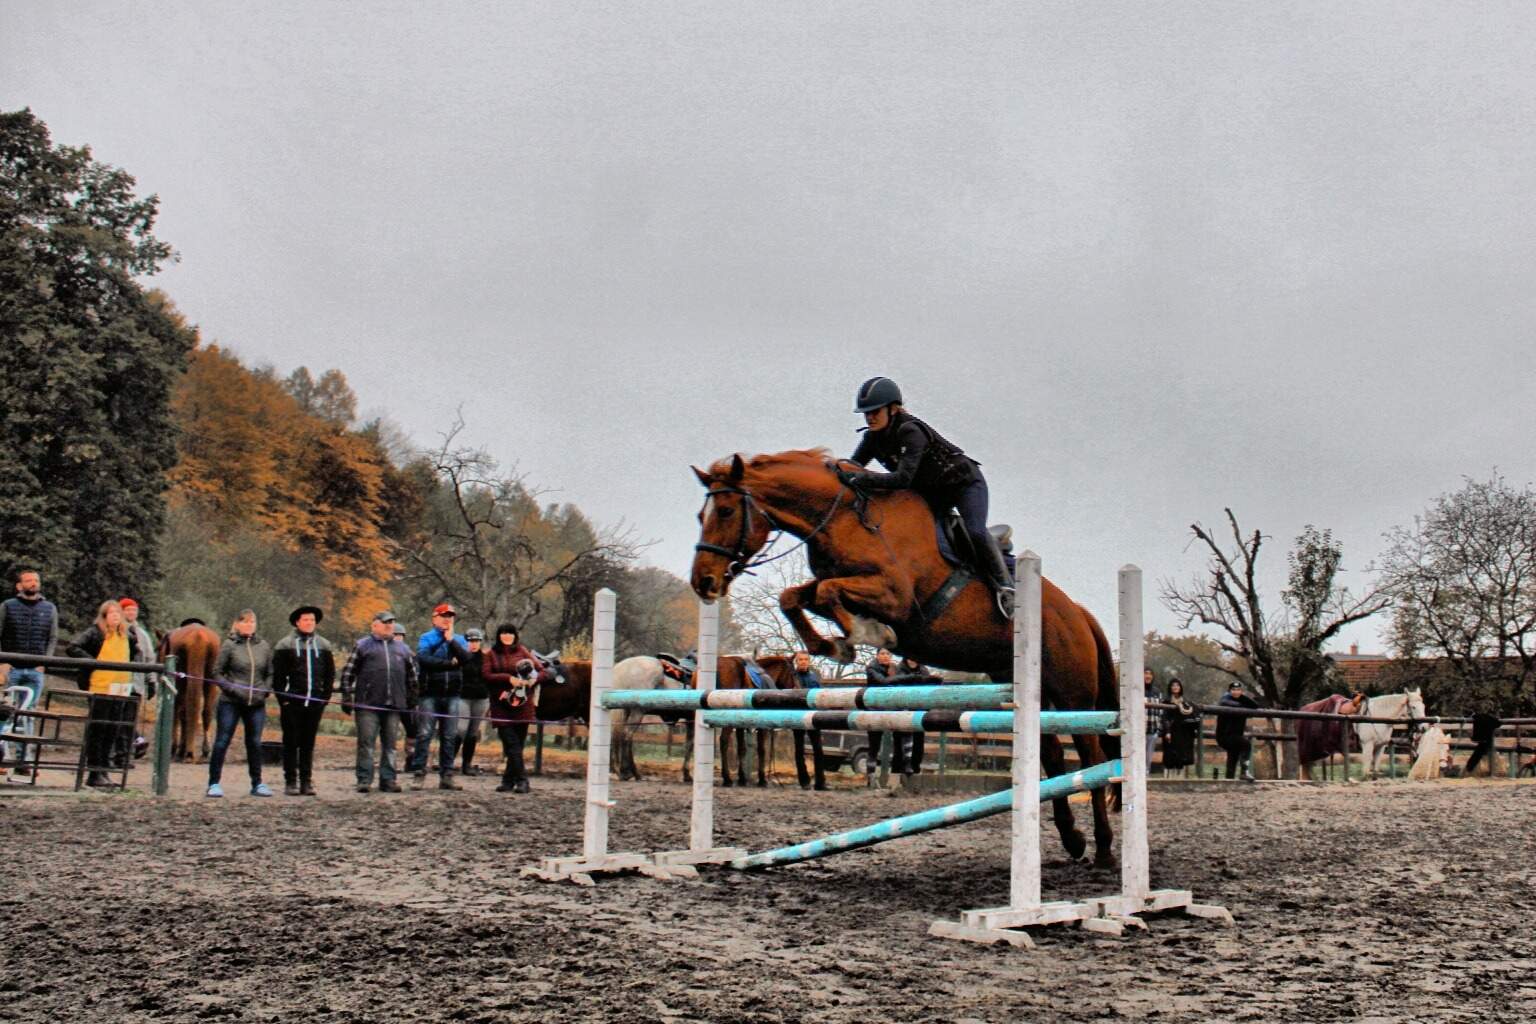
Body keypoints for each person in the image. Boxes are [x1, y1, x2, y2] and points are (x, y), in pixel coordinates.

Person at [836, 377, 1014, 617]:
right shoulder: (872, 438)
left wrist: (862, 479)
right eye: (866, 413)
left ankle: (1006, 587)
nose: (869, 418)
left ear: (892, 408)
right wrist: (833, 471)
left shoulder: (910, 430)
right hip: (933, 496)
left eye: (874, 411)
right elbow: (853, 467)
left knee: (974, 530)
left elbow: (902, 480)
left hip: (963, 485)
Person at [66, 599, 148, 786]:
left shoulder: (127, 635)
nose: (116, 617)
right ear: (104, 616)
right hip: (99, 686)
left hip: (121, 687)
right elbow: (73, 647)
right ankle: (94, 772)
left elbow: (136, 652)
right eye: (112, 614)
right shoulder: (95, 633)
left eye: (118, 614)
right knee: (98, 730)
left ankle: (104, 770)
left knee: (113, 729)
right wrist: (93, 661)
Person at [340, 611, 419, 793]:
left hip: (394, 704)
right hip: (368, 703)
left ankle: (388, 779)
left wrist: (413, 697)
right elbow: (348, 672)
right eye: (385, 622)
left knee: (390, 745)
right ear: (374, 625)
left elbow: (412, 676)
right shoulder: (362, 646)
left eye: (391, 622)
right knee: (366, 744)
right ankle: (364, 779)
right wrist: (346, 695)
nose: (389, 626)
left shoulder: (403, 649)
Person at [207, 609, 273, 798]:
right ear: (237, 624)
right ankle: (213, 783)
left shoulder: (264, 646)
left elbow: (269, 672)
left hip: (256, 703)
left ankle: (257, 782)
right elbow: (217, 672)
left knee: (254, 742)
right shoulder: (229, 645)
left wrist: (265, 690)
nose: (249, 625)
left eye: (252, 622)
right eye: (245, 622)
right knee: (222, 741)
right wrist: (232, 689)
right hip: (232, 701)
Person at [271, 605, 335, 796]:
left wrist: (325, 696)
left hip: (315, 702)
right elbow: (278, 676)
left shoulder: (324, 645)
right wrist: (284, 699)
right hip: (293, 702)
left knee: (308, 743)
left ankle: (306, 780)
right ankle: (290, 780)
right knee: (291, 742)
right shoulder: (285, 644)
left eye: (312, 620)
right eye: (306, 620)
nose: (309, 623)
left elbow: (329, 673)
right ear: (298, 622)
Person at [0, 569, 59, 774]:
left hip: (35, 669)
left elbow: (52, 637)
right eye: (28, 580)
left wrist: (45, 661)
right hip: (12, 667)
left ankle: (23, 761)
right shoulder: (8, 607)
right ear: (19, 585)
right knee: (6, 711)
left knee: (29, 713)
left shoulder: (49, 608)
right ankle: (3, 758)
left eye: (36, 580)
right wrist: (3, 662)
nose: (33, 583)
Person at [411, 603, 468, 790]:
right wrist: (449, 663)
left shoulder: (460, 639)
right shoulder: (426, 637)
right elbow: (424, 659)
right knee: (425, 733)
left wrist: (451, 641)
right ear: (434, 618)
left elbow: (465, 659)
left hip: (452, 693)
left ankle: (447, 775)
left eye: (450, 616)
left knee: (450, 735)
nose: (447, 619)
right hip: (429, 693)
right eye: (444, 616)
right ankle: (419, 772)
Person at [482, 624, 538, 793]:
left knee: (517, 745)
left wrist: (532, 680)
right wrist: (508, 679)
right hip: (501, 705)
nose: (507, 636)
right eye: (504, 633)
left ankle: (508, 781)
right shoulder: (491, 654)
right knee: (511, 743)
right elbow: (486, 675)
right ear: (499, 636)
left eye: (510, 633)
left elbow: (540, 671)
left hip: (522, 704)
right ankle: (523, 780)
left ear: (515, 636)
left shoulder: (522, 651)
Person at [790, 650, 826, 790]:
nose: (803, 662)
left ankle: (820, 782)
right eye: (801, 659)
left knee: (818, 749)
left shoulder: (814, 677)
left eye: (806, 659)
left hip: (813, 716)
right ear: (797, 662)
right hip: (797, 716)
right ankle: (803, 781)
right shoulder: (792, 678)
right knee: (799, 749)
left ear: (809, 661)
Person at [889, 655, 931, 775]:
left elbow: (928, 692)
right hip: (902, 710)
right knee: (899, 743)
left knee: (918, 744)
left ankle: (915, 769)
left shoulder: (924, 671)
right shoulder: (899, 670)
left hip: (918, 712)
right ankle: (896, 771)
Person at [457, 628, 489, 775]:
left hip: (481, 697)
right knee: (461, 729)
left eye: (476, 641)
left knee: (473, 732)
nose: (473, 644)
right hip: (463, 696)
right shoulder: (461, 657)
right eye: (471, 641)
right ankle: (448, 762)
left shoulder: (486, 659)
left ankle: (467, 764)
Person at [862, 648, 896, 786]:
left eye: (888, 653)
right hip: (874, 710)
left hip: (891, 710)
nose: (885, 656)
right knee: (874, 745)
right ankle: (871, 776)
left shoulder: (895, 669)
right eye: (882, 653)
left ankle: (893, 776)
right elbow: (883, 682)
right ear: (877, 656)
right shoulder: (871, 668)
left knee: (896, 744)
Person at [1216, 681, 1259, 781]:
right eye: (1233, 690)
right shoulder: (1225, 699)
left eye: (1238, 690)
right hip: (1225, 736)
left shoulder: (1241, 699)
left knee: (1233, 755)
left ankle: (1229, 779)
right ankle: (1244, 772)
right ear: (1229, 691)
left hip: (1235, 735)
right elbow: (1224, 702)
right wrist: (1243, 706)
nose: (1236, 692)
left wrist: (1242, 697)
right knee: (1246, 744)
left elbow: (1255, 705)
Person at [1161, 678, 1200, 777]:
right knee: (1170, 757)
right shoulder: (1166, 701)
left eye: (1177, 685)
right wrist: (1167, 731)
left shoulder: (1186, 702)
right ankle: (1168, 779)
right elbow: (1165, 717)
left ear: (1180, 687)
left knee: (1181, 758)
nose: (1175, 687)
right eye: (1173, 685)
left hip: (1182, 734)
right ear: (1170, 687)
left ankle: (1180, 779)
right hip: (1171, 732)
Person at [1463, 707, 1500, 777]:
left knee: (1478, 754)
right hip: (1487, 739)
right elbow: (1498, 724)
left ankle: (1470, 769)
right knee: (1480, 753)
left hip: (1482, 739)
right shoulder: (1487, 717)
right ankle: (1471, 769)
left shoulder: (1477, 718)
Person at [1143, 668, 1165, 771]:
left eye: (1150, 674)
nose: (1148, 676)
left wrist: (1159, 728)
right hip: (1140, 730)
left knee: (1149, 755)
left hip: (1153, 729)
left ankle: (1146, 774)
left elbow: (1161, 711)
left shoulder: (1157, 692)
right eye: (1145, 673)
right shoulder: (1137, 690)